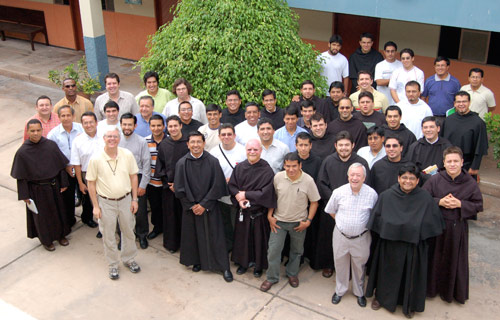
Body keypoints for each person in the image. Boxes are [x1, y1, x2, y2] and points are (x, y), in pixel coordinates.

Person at [366, 164, 445, 318]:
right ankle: (381, 299)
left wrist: (412, 228)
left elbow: (431, 223)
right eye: (404, 178)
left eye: (412, 178)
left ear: (417, 181)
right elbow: (377, 219)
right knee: (386, 273)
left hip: (413, 246)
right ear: (398, 178)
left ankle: (410, 303)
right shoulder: (387, 195)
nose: (407, 181)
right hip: (390, 244)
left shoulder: (425, 198)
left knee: (411, 276)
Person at [423, 146, 483, 304]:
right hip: (436, 226)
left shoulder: (469, 182)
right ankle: (431, 288)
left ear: (462, 162)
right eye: (449, 161)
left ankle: (449, 291)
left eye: (456, 161)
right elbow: (422, 199)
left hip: (457, 227)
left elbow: (478, 204)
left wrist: (460, 204)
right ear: (444, 162)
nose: (452, 164)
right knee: (434, 258)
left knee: (453, 259)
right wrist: (439, 201)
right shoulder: (435, 179)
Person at [174, 132, 233, 282]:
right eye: (192, 142)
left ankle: (223, 266)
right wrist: (193, 206)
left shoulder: (212, 161)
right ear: (188, 144)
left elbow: (218, 185)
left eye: (198, 142)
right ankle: (198, 261)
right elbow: (179, 188)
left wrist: (204, 204)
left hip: (210, 207)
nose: (195, 145)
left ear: (204, 143)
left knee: (216, 237)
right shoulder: (182, 163)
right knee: (194, 236)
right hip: (191, 208)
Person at [311, 131, 370, 277]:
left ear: (353, 145)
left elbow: (366, 185)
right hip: (332, 208)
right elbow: (321, 183)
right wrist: (336, 201)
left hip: (354, 210)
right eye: (341, 145)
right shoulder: (328, 161)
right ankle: (328, 264)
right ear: (336, 146)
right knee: (329, 238)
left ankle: (350, 267)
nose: (344, 148)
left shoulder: (361, 163)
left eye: (347, 145)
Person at [260, 153, 320, 292]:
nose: (291, 169)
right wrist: (270, 216)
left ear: (300, 165)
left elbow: (314, 202)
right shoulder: (278, 177)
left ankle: (292, 274)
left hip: (299, 223)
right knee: (273, 251)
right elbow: (272, 198)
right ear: (284, 165)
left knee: (297, 251)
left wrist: (308, 221)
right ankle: (271, 278)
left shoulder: (308, 180)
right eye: (288, 166)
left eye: (294, 166)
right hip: (278, 222)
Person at [86, 126, 140, 280]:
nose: (112, 139)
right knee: (108, 235)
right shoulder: (96, 159)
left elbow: (133, 177)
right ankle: (113, 264)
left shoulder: (127, 155)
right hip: (106, 202)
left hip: (125, 200)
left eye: (115, 136)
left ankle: (129, 259)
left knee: (128, 230)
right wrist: (95, 206)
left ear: (119, 138)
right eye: (109, 136)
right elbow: (91, 183)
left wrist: (134, 199)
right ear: (104, 138)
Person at [11, 119, 71, 251]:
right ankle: (47, 240)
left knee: (59, 212)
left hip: (54, 186)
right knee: (42, 218)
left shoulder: (50, 145)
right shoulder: (22, 152)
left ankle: (61, 235)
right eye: (32, 131)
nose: (36, 133)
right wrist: (25, 195)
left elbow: (60, 166)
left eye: (38, 130)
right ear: (27, 132)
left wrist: (63, 182)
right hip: (36, 190)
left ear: (42, 130)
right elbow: (21, 178)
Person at [326, 163, 378, 308]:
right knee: (340, 264)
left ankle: (359, 292)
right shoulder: (338, 192)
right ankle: (340, 290)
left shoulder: (372, 194)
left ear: (364, 178)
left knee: (359, 266)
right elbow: (331, 210)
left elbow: (374, 215)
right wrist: (342, 222)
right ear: (348, 176)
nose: (355, 178)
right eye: (352, 175)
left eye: (358, 175)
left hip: (361, 238)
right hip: (340, 236)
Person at [228, 139, 277, 277]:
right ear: (246, 151)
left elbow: (266, 193)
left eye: (255, 149)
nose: (252, 152)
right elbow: (232, 185)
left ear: (261, 151)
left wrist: (246, 194)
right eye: (249, 149)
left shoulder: (267, 170)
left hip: (259, 214)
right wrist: (238, 196)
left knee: (259, 241)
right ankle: (243, 263)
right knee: (242, 240)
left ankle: (258, 266)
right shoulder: (239, 167)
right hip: (243, 212)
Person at [155, 115, 190, 252]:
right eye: (170, 126)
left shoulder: (188, 142)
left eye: (176, 126)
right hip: (169, 188)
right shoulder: (164, 144)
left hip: (186, 188)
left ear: (181, 126)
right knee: (170, 216)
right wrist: (169, 183)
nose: (173, 129)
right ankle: (172, 244)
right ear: (166, 128)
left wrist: (181, 184)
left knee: (185, 216)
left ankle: (186, 245)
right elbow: (160, 166)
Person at [209, 123, 247, 251]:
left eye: (229, 134)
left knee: (238, 224)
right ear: (219, 136)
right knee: (225, 224)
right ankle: (228, 246)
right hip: (221, 196)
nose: (226, 137)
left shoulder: (243, 151)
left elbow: (248, 173)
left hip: (238, 196)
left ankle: (239, 249)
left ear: (234, 135)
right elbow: (210, 174)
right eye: (223, 134)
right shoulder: (214, 153)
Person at [118, 113, 151, 250]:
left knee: (140, 211)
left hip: (137, 178)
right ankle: (124, 237)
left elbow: (147, 165)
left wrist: (143, 185)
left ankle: (142, 235)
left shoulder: (141, 141)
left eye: (129, 124)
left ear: (135, 125)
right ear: (121, 125)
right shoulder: (116, 140)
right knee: (122, 211)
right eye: (124, 124)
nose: (127, 127)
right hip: (120, 179)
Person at [47, 105, 84, 227]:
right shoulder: (53, 134)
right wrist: (66, 167)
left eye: (68, 115)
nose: (66, 118)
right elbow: (52, 155)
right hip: (65, 169)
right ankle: (69, 219)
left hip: (82, 167)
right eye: (63, 116)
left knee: (86, 194)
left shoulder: (81, 129)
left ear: (73, 116)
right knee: (67, 197)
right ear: (59, 117)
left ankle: (87, 217)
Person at [441, 91, 488, 179]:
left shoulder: (478, 122)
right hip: (448, 164)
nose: (461, 104)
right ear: (454, 103)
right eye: (458, 102)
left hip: (467, 164)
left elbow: (480, 147)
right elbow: (442, 141)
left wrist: (475, 166)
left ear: (469, 103)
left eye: (464, 101)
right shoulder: (448, 120)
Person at [70, 112, 103, 231]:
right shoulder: (77, 141)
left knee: (104, 200)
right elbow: (76, 164)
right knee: (90, 200)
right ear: (82, 125)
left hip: (104, 173)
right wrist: (80, 182)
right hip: (87, 174)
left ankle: (103, 227)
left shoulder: (104, 137)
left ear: (96, 123)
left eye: (91, 122)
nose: (89, 125)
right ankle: (90, 219)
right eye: (85, 123)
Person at [145, 114, 168, 245]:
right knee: (155, 207)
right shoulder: (145, 141)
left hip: (166, 183)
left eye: (159, 125)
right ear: (149, 127)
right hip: (151, 182)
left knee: (167, 208)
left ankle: (168, 229)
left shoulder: (169, 140)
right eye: (153, 125)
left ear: (164, 126)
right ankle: (157, 227)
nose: (156, 128)